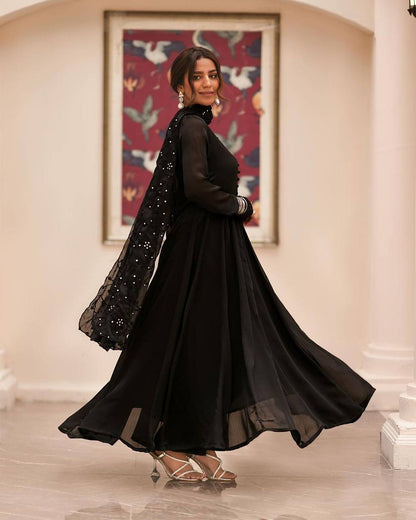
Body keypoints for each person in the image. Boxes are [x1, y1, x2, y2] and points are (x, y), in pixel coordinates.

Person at [58, 47, 376, 483]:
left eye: (213, 75)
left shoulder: (193, 126)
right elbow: (197, 188)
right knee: (194, 344)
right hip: (199, 251)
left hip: (209, 248)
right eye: (198, 77)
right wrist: (241, 204)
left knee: (206, 345)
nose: (208, 83)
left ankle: (195, 441)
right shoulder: (191, 126)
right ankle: (169, 444)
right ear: (180, 85)